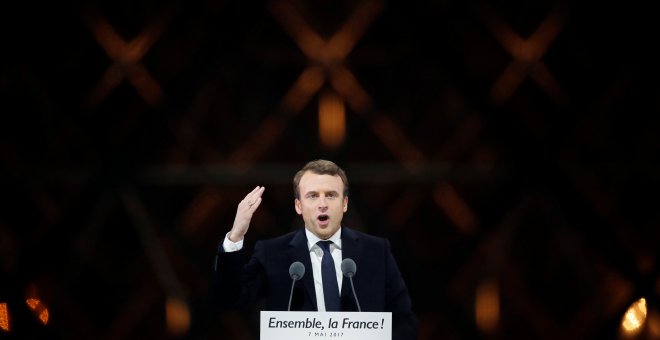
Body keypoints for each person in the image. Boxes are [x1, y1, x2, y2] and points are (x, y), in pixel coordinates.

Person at [211, 159, 419, 340]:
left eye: (330, 195)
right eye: (312, 196)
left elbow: (405, 322)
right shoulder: (272, 253)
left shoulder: (376, 251)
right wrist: (235, 236)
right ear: (298, 206)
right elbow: (230, 299)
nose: (322, 204)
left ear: (344, 203)